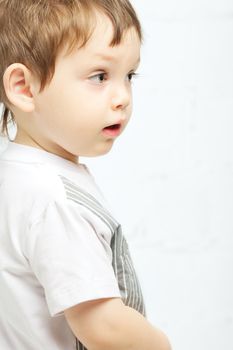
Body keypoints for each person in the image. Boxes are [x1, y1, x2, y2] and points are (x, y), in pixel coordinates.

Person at [0, 1, 172, 349]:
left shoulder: (17, 175)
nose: (122, 97)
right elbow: (103, 326)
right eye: (100, 77)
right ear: (24, 87)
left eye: (129, 76)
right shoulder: (54, 198)